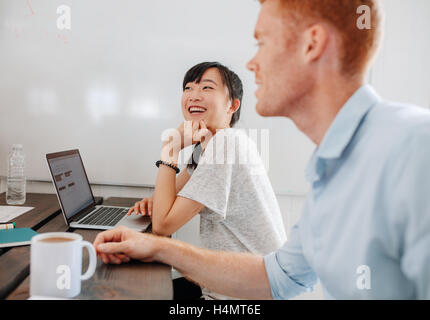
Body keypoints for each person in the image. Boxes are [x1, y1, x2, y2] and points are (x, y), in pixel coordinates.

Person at [94, 0, 430, 299]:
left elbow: (166, 223)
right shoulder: (328, 166)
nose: (252, 63)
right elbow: (281, 278)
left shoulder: (414, 145)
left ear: (311, 44)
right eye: (189, 88)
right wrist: (155, 246)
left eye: (261, 42)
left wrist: (168, 160)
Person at [126, 61, 286, 299]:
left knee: (128, 292)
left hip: (244, 296)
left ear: (232, 105)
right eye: (188, 88)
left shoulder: (226, 144)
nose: (194, 96)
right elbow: (167, 203)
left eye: (207, 88)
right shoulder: (207, 147)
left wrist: (171, 148)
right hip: (231, 285)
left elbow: (162, 225)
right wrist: (155, 203)